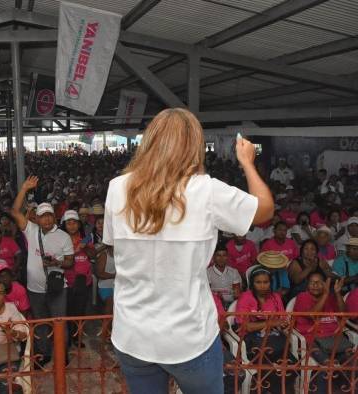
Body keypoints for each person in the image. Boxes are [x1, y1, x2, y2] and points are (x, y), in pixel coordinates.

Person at [101, 108, 273, 394]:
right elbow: (264, 209)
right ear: (194, 146)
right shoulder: (207, 191)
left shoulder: (118, 188)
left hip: (133, 334)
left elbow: (113, 244)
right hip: (188, 337)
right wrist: (247, 162)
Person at [11, 183, 74, 366]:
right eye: (42, 217)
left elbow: (70, 262)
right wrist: (23, 189)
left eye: (49, 216)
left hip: (57, 289)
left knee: (59, 323)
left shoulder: (63, 237)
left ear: (54, 217)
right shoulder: (31, 230)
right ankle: (45, 354)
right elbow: (15, 212)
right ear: (36, 219)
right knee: (41, 323)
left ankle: (62, 354)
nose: (46, 220)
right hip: (35, 288)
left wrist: (57, 263)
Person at [235, 268, 293, 394]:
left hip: (274, 340)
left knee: (292, 367)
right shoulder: (246, 297)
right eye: (258, 282)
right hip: (253, 342)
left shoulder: (275, 297)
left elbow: (282, 319)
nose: (262, 286)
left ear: (270, 283)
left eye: (265, 282)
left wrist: (284, 324)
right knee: (272, 372)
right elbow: (246, 326)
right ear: (252, 283)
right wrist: (272, 323)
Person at [293, 273, 351, 393]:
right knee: (326, 366)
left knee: (353, 359)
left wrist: (337, 294)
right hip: (312, 340)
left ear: (325, 284)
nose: (315, 285)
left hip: (334, 339)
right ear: (307, 285)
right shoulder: (302, 297)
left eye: (319, 282)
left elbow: (344, 313)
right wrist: (325, 294)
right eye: (312, 282)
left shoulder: (330, 297)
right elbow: (313, 315)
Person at [61, 209, 94, 346]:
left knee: (80, 312)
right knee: (68, 312)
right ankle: (68, 337)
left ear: (79, 224)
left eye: (74, 223)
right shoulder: (61, 241)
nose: (72, 226)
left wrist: (85, 247)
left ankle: (77, 337)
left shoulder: (85, 239)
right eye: (69, 223)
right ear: (65, 225)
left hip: (84, 282)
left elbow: (92, 255)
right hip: (68, 283)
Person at [207, 243, 241, 308]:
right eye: (218, 255)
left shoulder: (234, 272)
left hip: (231, 304)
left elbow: (237, 292)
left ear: (227, 257)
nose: (221, 258)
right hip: (213, 304)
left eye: (224, 255)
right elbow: (206, 293)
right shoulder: (208, 272)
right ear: (213, 257)